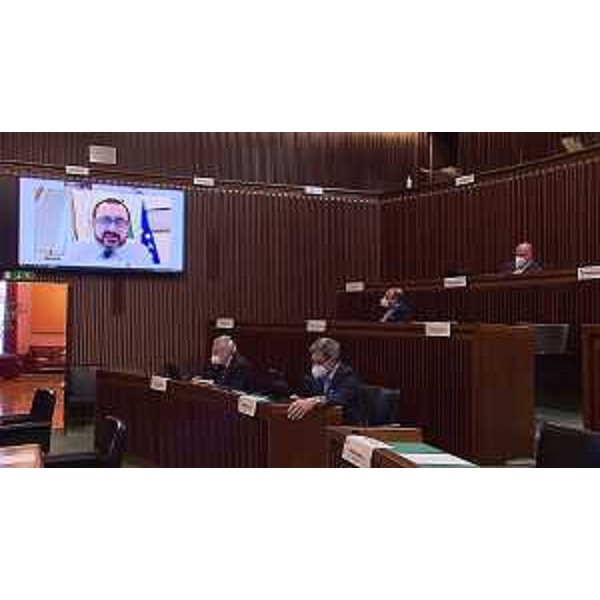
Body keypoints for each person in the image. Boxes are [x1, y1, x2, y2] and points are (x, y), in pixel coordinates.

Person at [287, 337, 362, 425]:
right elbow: (308, 394)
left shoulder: (348, 376)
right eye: (313, 362)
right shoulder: (315, 378)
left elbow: (338, 398)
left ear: (333, 359)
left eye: (319, 362)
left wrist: (315, 401)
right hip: (322, 423)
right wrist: (301, 399)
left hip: (347, 425)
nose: (315, 367)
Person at [64, 198, 154, 268]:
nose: (112, 229)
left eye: (119, 222)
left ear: (127, 226)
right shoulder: (75, 251)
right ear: (93, 223)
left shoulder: (140, 253)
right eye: (105, 220)